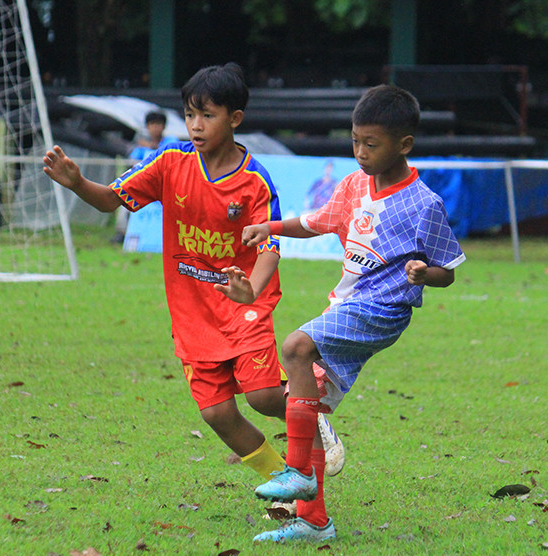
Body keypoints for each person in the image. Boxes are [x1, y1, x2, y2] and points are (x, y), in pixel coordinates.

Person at [43, 63, 344, 507]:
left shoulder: (254, 181)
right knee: (218, 413)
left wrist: (252, 290)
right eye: (189, 115)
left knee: (262, 395)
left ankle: (309, 409)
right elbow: (109, 199)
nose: (196, 126)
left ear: (235, 118)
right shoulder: (170, 163)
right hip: (192, 313)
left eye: (208, 115)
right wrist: (77, 183)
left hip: (244, 304)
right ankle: (283, 482)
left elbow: (270, 246)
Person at [230, 85, 466, 543]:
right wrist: (268, 227)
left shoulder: (424, 204)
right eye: (355, 141)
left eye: (370, 144)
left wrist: (423, 274)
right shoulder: (354, 185)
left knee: (296, 346)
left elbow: (448, 270)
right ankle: (315, 523)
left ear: (404, 145)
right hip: (347, 305)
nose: (359, 152)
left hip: (383, 309)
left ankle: (296, 471)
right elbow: (316, 222)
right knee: (308, 399)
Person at [113, 110, 177, 245]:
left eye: (158, 124)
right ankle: (122, 234)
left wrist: (150, 146)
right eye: (152, 124)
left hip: (168, 187)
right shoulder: (140, 148)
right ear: (147, 127)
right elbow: (133, 163)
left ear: (164, 126)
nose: (155, 128)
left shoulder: (172, 142)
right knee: (123, 203)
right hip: (144, 186)